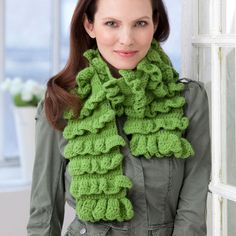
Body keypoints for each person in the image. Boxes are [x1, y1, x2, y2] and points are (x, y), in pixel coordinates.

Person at [27, 0, 211, 235]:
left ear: (154, 24)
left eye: (140, 23)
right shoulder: (61, 105)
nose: (127, 39)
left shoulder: (187, 100)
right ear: (89, 25)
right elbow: (44, 215)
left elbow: (192, 214)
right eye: (112, 23)